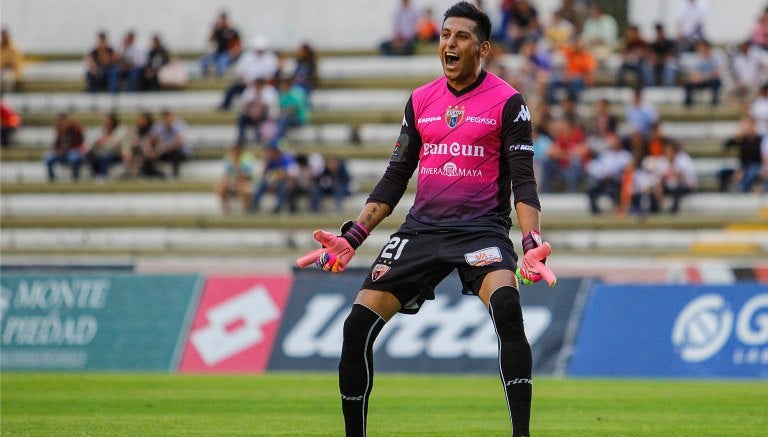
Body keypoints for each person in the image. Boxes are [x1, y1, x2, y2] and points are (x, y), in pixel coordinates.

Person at [295, 4, 555, 436]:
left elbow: (523, 184)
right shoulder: (420, 100)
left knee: (508, 307)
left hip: (481, 230)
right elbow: (396, 176)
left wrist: (531, 243)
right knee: (356, 326)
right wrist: (354, 235)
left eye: (461, 37)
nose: (449, 44)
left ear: (483, 48)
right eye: (444, 35)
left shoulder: (509, 102)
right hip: (421, 230)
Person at [218, 36, 279, 110]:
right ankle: (226, 105)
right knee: (232, 89)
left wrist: (262, 83)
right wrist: (247, 81)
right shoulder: (247, 56)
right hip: (249, 84)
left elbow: (272, 74)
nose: (259, 52)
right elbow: (240, 71)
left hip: (265, 86)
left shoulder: (270, 58)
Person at [586, 132, 633, 214]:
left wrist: (612, 174)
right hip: (603, 180)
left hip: (617, 181)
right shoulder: (605, 154)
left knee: (615, 190)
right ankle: (595, 212)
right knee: (591, 190)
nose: (614, 145)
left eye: (616, 143)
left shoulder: (625, 155)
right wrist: (602, 175)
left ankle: (619, 210)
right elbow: (597, 167)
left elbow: (627, 169)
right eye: (613, 143)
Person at [719, 115, 766, 193]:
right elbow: (726, 146)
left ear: (754, 126)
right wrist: (736, 137)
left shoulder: (761, 139)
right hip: (743, 167)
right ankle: (724, 193)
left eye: (749, 125)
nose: (747, 127)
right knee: (723, 172)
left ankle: (741, 189)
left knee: (752, 170)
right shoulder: (741, 139)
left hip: (757, 166)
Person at [267, 74, 310, 149]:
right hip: (286, 118)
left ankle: (277, 140)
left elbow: (293, 110)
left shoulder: (297, 93)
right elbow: (279, 108)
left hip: (298, 119)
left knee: (284, 119)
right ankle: (271, 140)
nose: (283, 85)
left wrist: (280, 113)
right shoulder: (282, 94)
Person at [236, 76, 279, 145]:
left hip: (265, 114)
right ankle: (241, 138)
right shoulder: (250, 90)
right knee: (242, 118)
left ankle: (259, 138)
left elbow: (267, 106)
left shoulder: (270, 90)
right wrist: (251, 113)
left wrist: (257, 113)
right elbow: (244, 105)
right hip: (251, 113)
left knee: (261, 117)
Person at [215, 142, 256, 214]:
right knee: (220, 187)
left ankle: (244, 209)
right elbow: (226, 174)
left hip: (243, 181)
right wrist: (229, 182)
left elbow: (247, 175)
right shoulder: (228, 157)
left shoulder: (247, 158)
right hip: (232, 181)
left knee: (244, 188)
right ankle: (225, 208)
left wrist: (236, 164)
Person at [86, 112, 128, 179]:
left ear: (113, 123)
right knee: (90, 156)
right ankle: (95, 175)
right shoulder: (100, 131)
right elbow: (96, 144)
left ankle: (104, 176)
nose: (106, 124)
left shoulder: (119, 132)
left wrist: (106, 139)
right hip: (101, 153)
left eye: (108, 122)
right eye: (105, 122)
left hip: (115, 155)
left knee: (105, 158)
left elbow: (114, 146)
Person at [45, 113, 86, 182]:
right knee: (48, 158)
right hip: (61, 154)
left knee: (74, 158)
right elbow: (55, 146)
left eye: (65, 122)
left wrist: (65, 150)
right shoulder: (59, 131)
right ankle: (51, 179)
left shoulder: (75, 130)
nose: (63, 124)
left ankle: (75, 179)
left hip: (74, 152)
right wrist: (58, 151)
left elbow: (79, 143)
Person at [149, 110, 189, 178]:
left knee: (175, 153)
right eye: (166, 118)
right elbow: (152, 139)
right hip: (163, 151)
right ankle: (154, 175)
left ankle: (175, 175)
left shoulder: (179, 125)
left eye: (169, 117)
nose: (168, 120)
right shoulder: (158, 127)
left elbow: (179, 142)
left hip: (178, 152)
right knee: (149, 154)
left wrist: (165, 147)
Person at [200, 11, 241, 78]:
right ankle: (205, 79)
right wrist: (214, 29)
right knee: (204, 62)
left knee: (221, 64)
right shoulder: (218, 31)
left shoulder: (232, 31)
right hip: (218, 52)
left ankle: (220, 79)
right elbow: (210, 40)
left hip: (227, 53)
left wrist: (233, 54)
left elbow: (238, 45)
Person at [682, 39, 722, 107]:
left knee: (717, 81)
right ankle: (688, 103)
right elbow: (694, 74)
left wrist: (704, 76)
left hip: (709, 80)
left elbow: (717, 73)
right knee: (688, 83)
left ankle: (714, 102)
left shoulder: (715, 58)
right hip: (700, 80)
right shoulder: (696, 59)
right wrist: (703, 76)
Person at [649, 23, 679, 87]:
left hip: (667, 64)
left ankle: (668, 86)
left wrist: (661, 59)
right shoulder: (654, 44)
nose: (659, 34)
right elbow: (653, 56)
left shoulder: (670, 42)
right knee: (648, 65)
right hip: (658, 64)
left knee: (670, 63)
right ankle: (651, 86)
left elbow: (672, 55)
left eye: (660, 32)